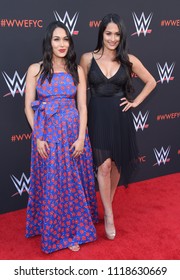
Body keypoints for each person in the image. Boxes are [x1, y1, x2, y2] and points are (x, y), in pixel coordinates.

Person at [80, 13, 156, 240]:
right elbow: (80, 93)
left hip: (121, 118)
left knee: (116, 165)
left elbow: (151, 81)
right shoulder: (87, 59)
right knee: (102, 166)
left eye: (117, 34)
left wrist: (135, 102)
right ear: (101, 33)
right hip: (97, 117)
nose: (112, 38)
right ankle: (109, 214)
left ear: (121, 36)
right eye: (108, 33)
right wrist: (79, 120)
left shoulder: (128, 59)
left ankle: (107, 202)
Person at [25, 21, 98, 254]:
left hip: (73, 135)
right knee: (53, 184)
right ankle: (50, 228)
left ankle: (72, 230)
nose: (62, 44)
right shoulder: (35, 69)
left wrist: (80, 138)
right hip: (47, 135)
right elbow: (28, 108)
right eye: (57, 39)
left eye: (66, 39)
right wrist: (38, 136)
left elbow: (83, 107)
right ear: (48, 41)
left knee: (71, 184)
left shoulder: (77, 70)